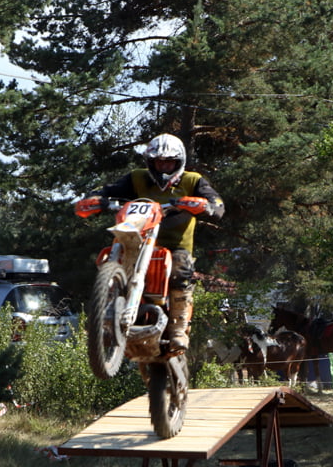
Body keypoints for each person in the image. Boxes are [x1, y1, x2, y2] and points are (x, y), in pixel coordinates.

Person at [75, 133, 225, 351]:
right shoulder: (137, 178)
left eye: (169, 162)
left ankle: (178, 329)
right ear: (151, 162)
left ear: (178, 162)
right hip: (136, 239)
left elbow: (217, 204)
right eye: (159, 162)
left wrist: (206, 206)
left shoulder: (192, 180)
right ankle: (104, 319)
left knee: (180, 271)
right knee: (108, 258)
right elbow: (109, 190)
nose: (163, 167)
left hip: (175, 245)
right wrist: (97, 199)